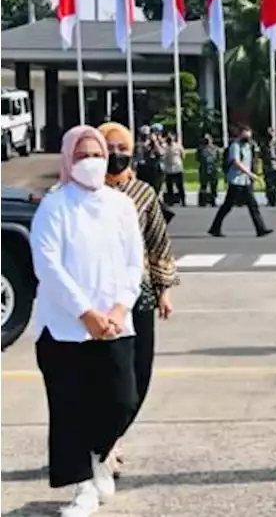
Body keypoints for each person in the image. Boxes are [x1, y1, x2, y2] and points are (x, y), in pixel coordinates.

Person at [30, 125, 144, 517]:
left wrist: (117, 310)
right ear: (67, 160)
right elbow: (48, 265)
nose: (91, 162)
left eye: (97, 154)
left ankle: (100, 454)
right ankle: (82, 487)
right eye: (81, 156)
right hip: (64, 328)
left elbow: (134, 263)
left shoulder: (121, 206)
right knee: (70, 407)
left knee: (121, 399)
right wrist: (85, 313)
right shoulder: (55, 205)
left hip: (115, 325)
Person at [98, 121, 180, 479]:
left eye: (122, 147)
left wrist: (163, 290)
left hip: (140, 294)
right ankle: (106, 443)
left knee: (139, 373)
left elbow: (158, 242)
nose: (116, 154)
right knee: (105, 375)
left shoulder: (144, 193)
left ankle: (112, 433)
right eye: (108, 147)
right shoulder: (86, 193)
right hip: (99, 297)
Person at [207, 124, 271, 238]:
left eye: (249, 135)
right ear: (240, 134)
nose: (248, 137)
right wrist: (251, 174)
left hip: (245, 181)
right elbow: (236, 162)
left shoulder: (248, 146)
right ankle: (215, 228)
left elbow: (250, 162)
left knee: (253, 205)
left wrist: (252, 173)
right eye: (246, 134)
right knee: (227, 206)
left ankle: (261, 229)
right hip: (236, 180)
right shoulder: (235, 146)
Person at [160, 133, 185, 206]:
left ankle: (183, 200)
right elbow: (162, 154)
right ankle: (171, 201)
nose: (170, 139)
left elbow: (183, 154)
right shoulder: (164, 146)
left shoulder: (177, 145)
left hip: (177, 168)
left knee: (180, 186)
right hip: (168, 169)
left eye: (171, 138)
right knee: (169, 186)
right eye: (168, 138)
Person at [262, 127, 276, 207]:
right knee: (268, 185)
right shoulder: (264, 145)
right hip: (267, 167)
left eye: (271, 132)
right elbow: (261, 156)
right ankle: (269, 200)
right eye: (268, 133)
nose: (270, 135)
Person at [197, 134, 221, 207]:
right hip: (204, 170)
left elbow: (218, 159)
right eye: (205, 139)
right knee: (203, 186)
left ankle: (213, 201)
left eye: (208, 139)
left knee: (213, 186)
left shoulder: (216, 148)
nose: (207, 141)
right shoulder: (200, 149)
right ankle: (202, 201)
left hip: (213, 170)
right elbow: (198, 159)